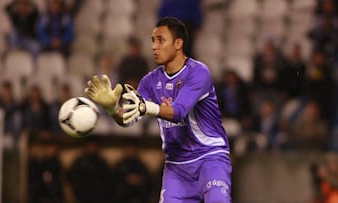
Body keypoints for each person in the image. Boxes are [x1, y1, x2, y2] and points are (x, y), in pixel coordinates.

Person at [85, 17, 232, 203]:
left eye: (160, 40)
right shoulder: (149, 81)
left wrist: (147, 107)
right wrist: (112, 108)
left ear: (178, 43)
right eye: (153, 41)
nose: (154, 46)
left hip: (209, 158)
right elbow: (128, 119)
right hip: (176, 167)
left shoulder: (198, 72)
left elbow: (179, 112)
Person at [67, 138, 115, 203]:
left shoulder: (101, 162)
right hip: (83, 196)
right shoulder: (79, 162)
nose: (92, 148)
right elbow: (71, 176)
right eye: (89, 146)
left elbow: (108, 178)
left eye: (93, 146)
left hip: (99, 196)